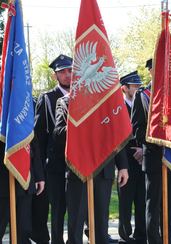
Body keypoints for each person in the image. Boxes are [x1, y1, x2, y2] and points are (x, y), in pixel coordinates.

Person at [52, 93, 129, 244]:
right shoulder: (65, 101)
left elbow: (117, 133)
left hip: (104, 168)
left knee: (101, 224)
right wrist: (81, 124)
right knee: (76, 223)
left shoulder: (106, 100)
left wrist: (123, 166)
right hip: (78, 170)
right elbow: (58, 134)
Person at [131, 59, 171, 244]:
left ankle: (169, 239)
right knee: (154, 204)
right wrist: (159, 139)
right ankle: (154, 240)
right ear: (151, 71)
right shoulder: (142, 95)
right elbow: (137, 129)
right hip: (154, 156)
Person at [34, 54, 72, 244]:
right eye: (62, 72)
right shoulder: (47, 98)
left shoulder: (84, 98)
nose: (67, 75)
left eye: (71, 71)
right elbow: (39, 138)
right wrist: (39, 170)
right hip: (55, 166)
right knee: (57, 211)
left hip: (78, 165)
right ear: (54, 76)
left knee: (77, 210)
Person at [118, 71, 146, 243]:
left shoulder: (143, 103)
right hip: (126, 159)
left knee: (142, 198)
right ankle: (125, 234)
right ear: (124, 88)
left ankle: (141, 233)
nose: (137, 88)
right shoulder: (118, 107)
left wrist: (143, 148)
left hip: (143, 156)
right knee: (125, 200)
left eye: (138, 85)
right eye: (134, 86)